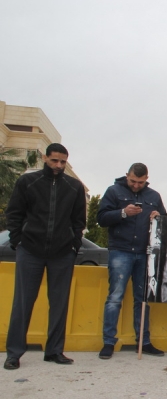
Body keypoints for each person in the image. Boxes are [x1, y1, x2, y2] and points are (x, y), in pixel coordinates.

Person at [3, 143, 86, 370]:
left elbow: (78, 220)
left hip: (62, 253)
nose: (58, 165)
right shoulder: (27, 182)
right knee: (23, 303)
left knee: (59, 304)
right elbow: (14, 213)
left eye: (62, 162)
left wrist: (74, 245)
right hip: (30, 250)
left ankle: (54, 351)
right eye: (54, 160)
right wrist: (18, 240)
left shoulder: (74, 187)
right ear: (45, 158)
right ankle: (14, 354)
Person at [97, 163, 167, 360]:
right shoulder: (113, 191)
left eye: (140, 182)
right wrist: (122, 213)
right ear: (126, 175)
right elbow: (101, 218)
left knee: (142, 299)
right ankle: (108, 342)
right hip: (120, 250)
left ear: (146, 179)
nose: (136, 185)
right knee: (115, 297)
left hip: (145, 253)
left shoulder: (154, 196)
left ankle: (144, 342)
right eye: (133, 181)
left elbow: (165, 221)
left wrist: (158, 217)